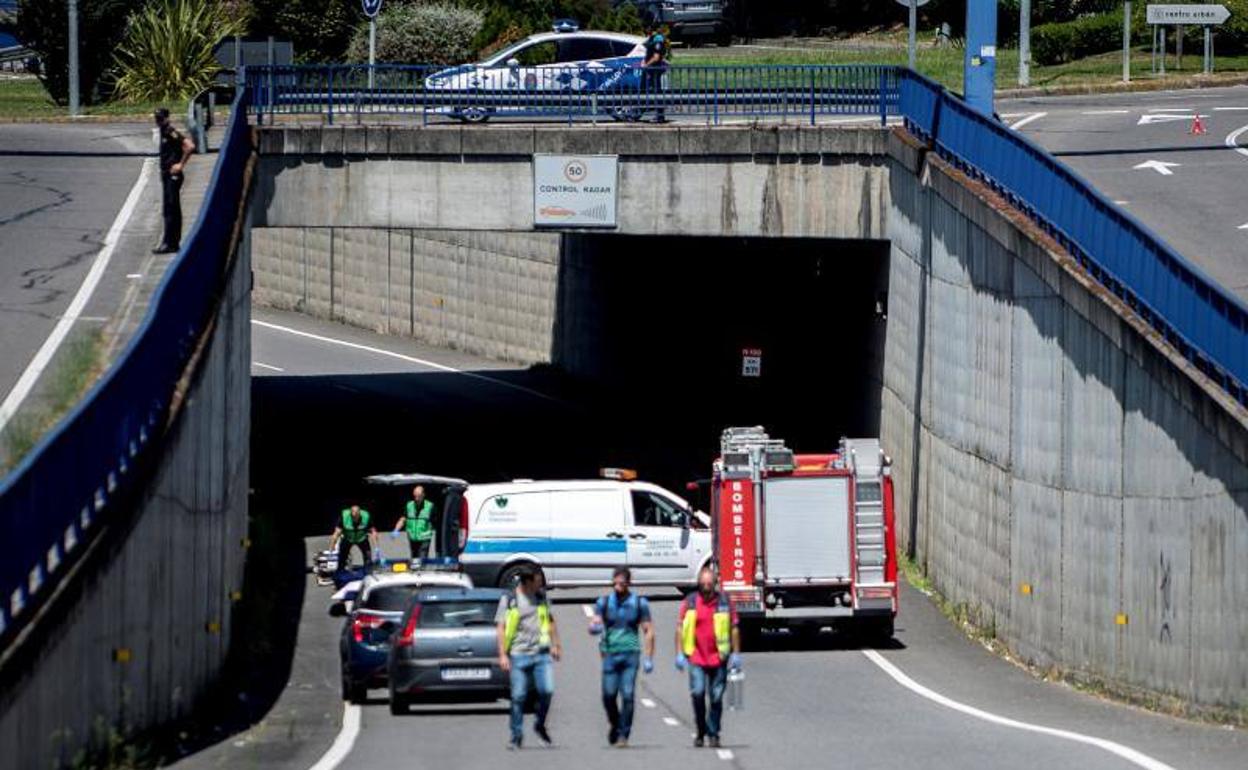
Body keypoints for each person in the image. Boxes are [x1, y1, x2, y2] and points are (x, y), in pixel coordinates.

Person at [675, 565, 741, 748]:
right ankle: (701, 729)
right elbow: (680, 627)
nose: (706, 588)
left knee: (716, 697)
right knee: (697, 693)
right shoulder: (690, 602)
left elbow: (734, 628)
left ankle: (713, 732)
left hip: (719, 657)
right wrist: (679, 652)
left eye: (709, 584)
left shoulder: (724, 602)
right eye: (703, 584)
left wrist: (736, 653)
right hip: (696, 657)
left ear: (715, 584)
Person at [588, 566, 655, 748]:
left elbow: (648, 630)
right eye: (615, 583)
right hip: (610, 654)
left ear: (628, 583)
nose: (618, 587)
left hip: (630, 654)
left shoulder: (638, 603)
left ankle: (624, 734)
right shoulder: (604, 602)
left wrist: (649, 657)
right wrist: (594, 626)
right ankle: (615, 724)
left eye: (622, 583)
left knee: (627, 695)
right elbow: (595, 621)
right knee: (608, 695)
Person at [496, 569, 562, 750]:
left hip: (541, 653)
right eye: (537, 581)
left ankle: (539, 725)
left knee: (547, 691)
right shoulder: (510, 600)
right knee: (518, 696)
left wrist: (556, 644)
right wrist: (502, 654)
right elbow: (501, 627)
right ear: (526, 582)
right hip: (518, 654)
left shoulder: (541, 597)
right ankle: (516, 736)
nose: (540, 584)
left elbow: (550, 621)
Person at [152, 107, 195, 254]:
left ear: (167, 118)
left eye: (160, 118)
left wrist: (180, 164)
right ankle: (171, 242)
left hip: (172, 175)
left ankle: (170, 243)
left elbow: (189, 146)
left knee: (171, 209)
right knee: (169, 209)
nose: (158, 121)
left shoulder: (170, 131)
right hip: (166, 175)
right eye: (156, 118)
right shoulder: (164, 131)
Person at [330, 504, 377, 571]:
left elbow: (373, 532)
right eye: (354, 517)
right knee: (342, 558)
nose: (355, 519)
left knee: (368, 558)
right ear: (351, 514)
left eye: (357, 517)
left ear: (360, 513)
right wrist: (331, 549)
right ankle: (340, 572)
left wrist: (377, 548)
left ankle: (368, 572)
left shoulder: (366, 516)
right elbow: (336, 534)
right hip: (348, 538)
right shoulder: (344, 517)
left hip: (362, 539)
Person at [393, 485, 434, 560]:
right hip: (412, 537)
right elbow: (403, 518)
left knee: (422, 558)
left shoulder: (430, 506)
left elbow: (435, 521)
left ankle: (422, 570)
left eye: (419, 496)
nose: (416, 499)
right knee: (414, 559)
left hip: (424, 537)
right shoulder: (409, 505)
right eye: (415, 496)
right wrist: (396, 530)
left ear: (423, 495)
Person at [641, 23, 670, 123]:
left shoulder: (657, 39)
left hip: (656, 70)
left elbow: (656, 57)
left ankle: (660, 117)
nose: (645, 30)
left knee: (658, 93)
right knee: (655, 93)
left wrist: (646, 64)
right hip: (653, 70)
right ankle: (659, 116)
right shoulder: (652, 38)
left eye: (646, 28)